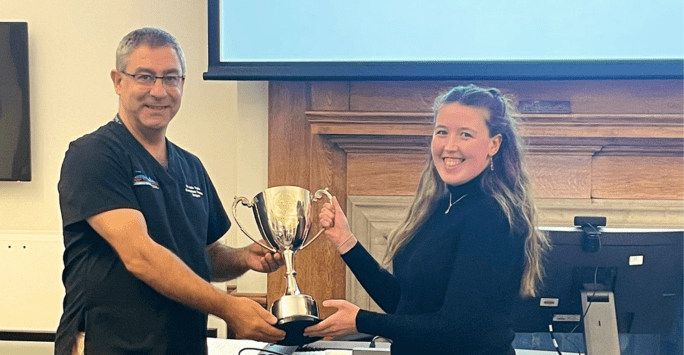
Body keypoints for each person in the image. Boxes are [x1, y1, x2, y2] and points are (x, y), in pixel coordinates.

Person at [55, 27, 285, 355]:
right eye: (145, 77)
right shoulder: (94, 155)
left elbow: (202, 255)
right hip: (110, 345)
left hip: (183, 345)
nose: (159, 91)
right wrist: (229, 308)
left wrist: (242, 258)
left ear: (183, 84)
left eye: (170, 78)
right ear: (118, 81)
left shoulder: (190, 167)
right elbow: (140, 256)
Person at [305, 84, 551, 355]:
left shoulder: (492, 216)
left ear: (494, 144)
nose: (449, 146)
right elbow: (405, 304)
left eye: (465, 135)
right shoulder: (441, 206)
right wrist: (346, 242)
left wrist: (361, 321)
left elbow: (456, 329)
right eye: (442, 132)